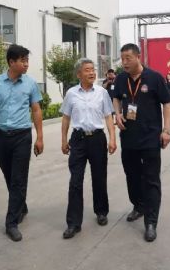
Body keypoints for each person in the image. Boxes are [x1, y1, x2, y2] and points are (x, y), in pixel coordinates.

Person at [0, 44, 44, 242]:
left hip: (22, 137)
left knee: (18, 179)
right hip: (1, 137)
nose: (26, 64)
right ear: (11, 62)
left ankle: (11, 223)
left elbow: (36, 110)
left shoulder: (30, 83)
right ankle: (21, 206)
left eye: (27, 60)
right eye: (23, 60)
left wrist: (40, 137)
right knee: (9, 176)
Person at [113, 43, 170, 242]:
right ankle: (138, 206)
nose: (124, 62)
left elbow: (167, 103)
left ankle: (151, 222)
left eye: (128, 58)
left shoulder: (154, 78)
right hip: (128, 138)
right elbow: (115, 98)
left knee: (151, 180)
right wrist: (117, 114)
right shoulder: (121, 79)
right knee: (132, 177)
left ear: (138, 57)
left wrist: (166, 130)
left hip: (150, 138)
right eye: (122, 59)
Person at [60, 59, 117, 239]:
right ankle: (73, 223)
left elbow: (108, 116)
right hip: (78, 140)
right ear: (79, 74)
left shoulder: (102, 92)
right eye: (87, 70)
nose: (92, 73)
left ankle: (101, 212)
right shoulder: (71, 93)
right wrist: (63, 140)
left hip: (97, 139)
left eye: (93, 69)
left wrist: (112, 138)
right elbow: (66, 118)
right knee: (75, 181)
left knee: (99, 177)